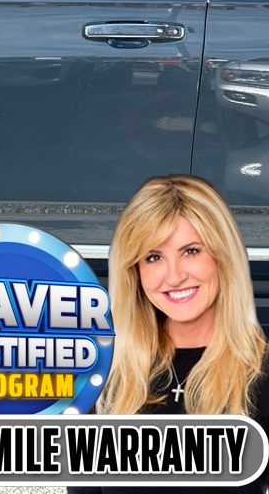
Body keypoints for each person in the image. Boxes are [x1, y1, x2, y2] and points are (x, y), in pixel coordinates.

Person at [69, 174, 269, 494]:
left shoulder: (261, 370)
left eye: (191, 251)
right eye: (154, 257)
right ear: (135, 271)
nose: (174, 276)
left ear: (222, 256)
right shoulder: (105, 372)